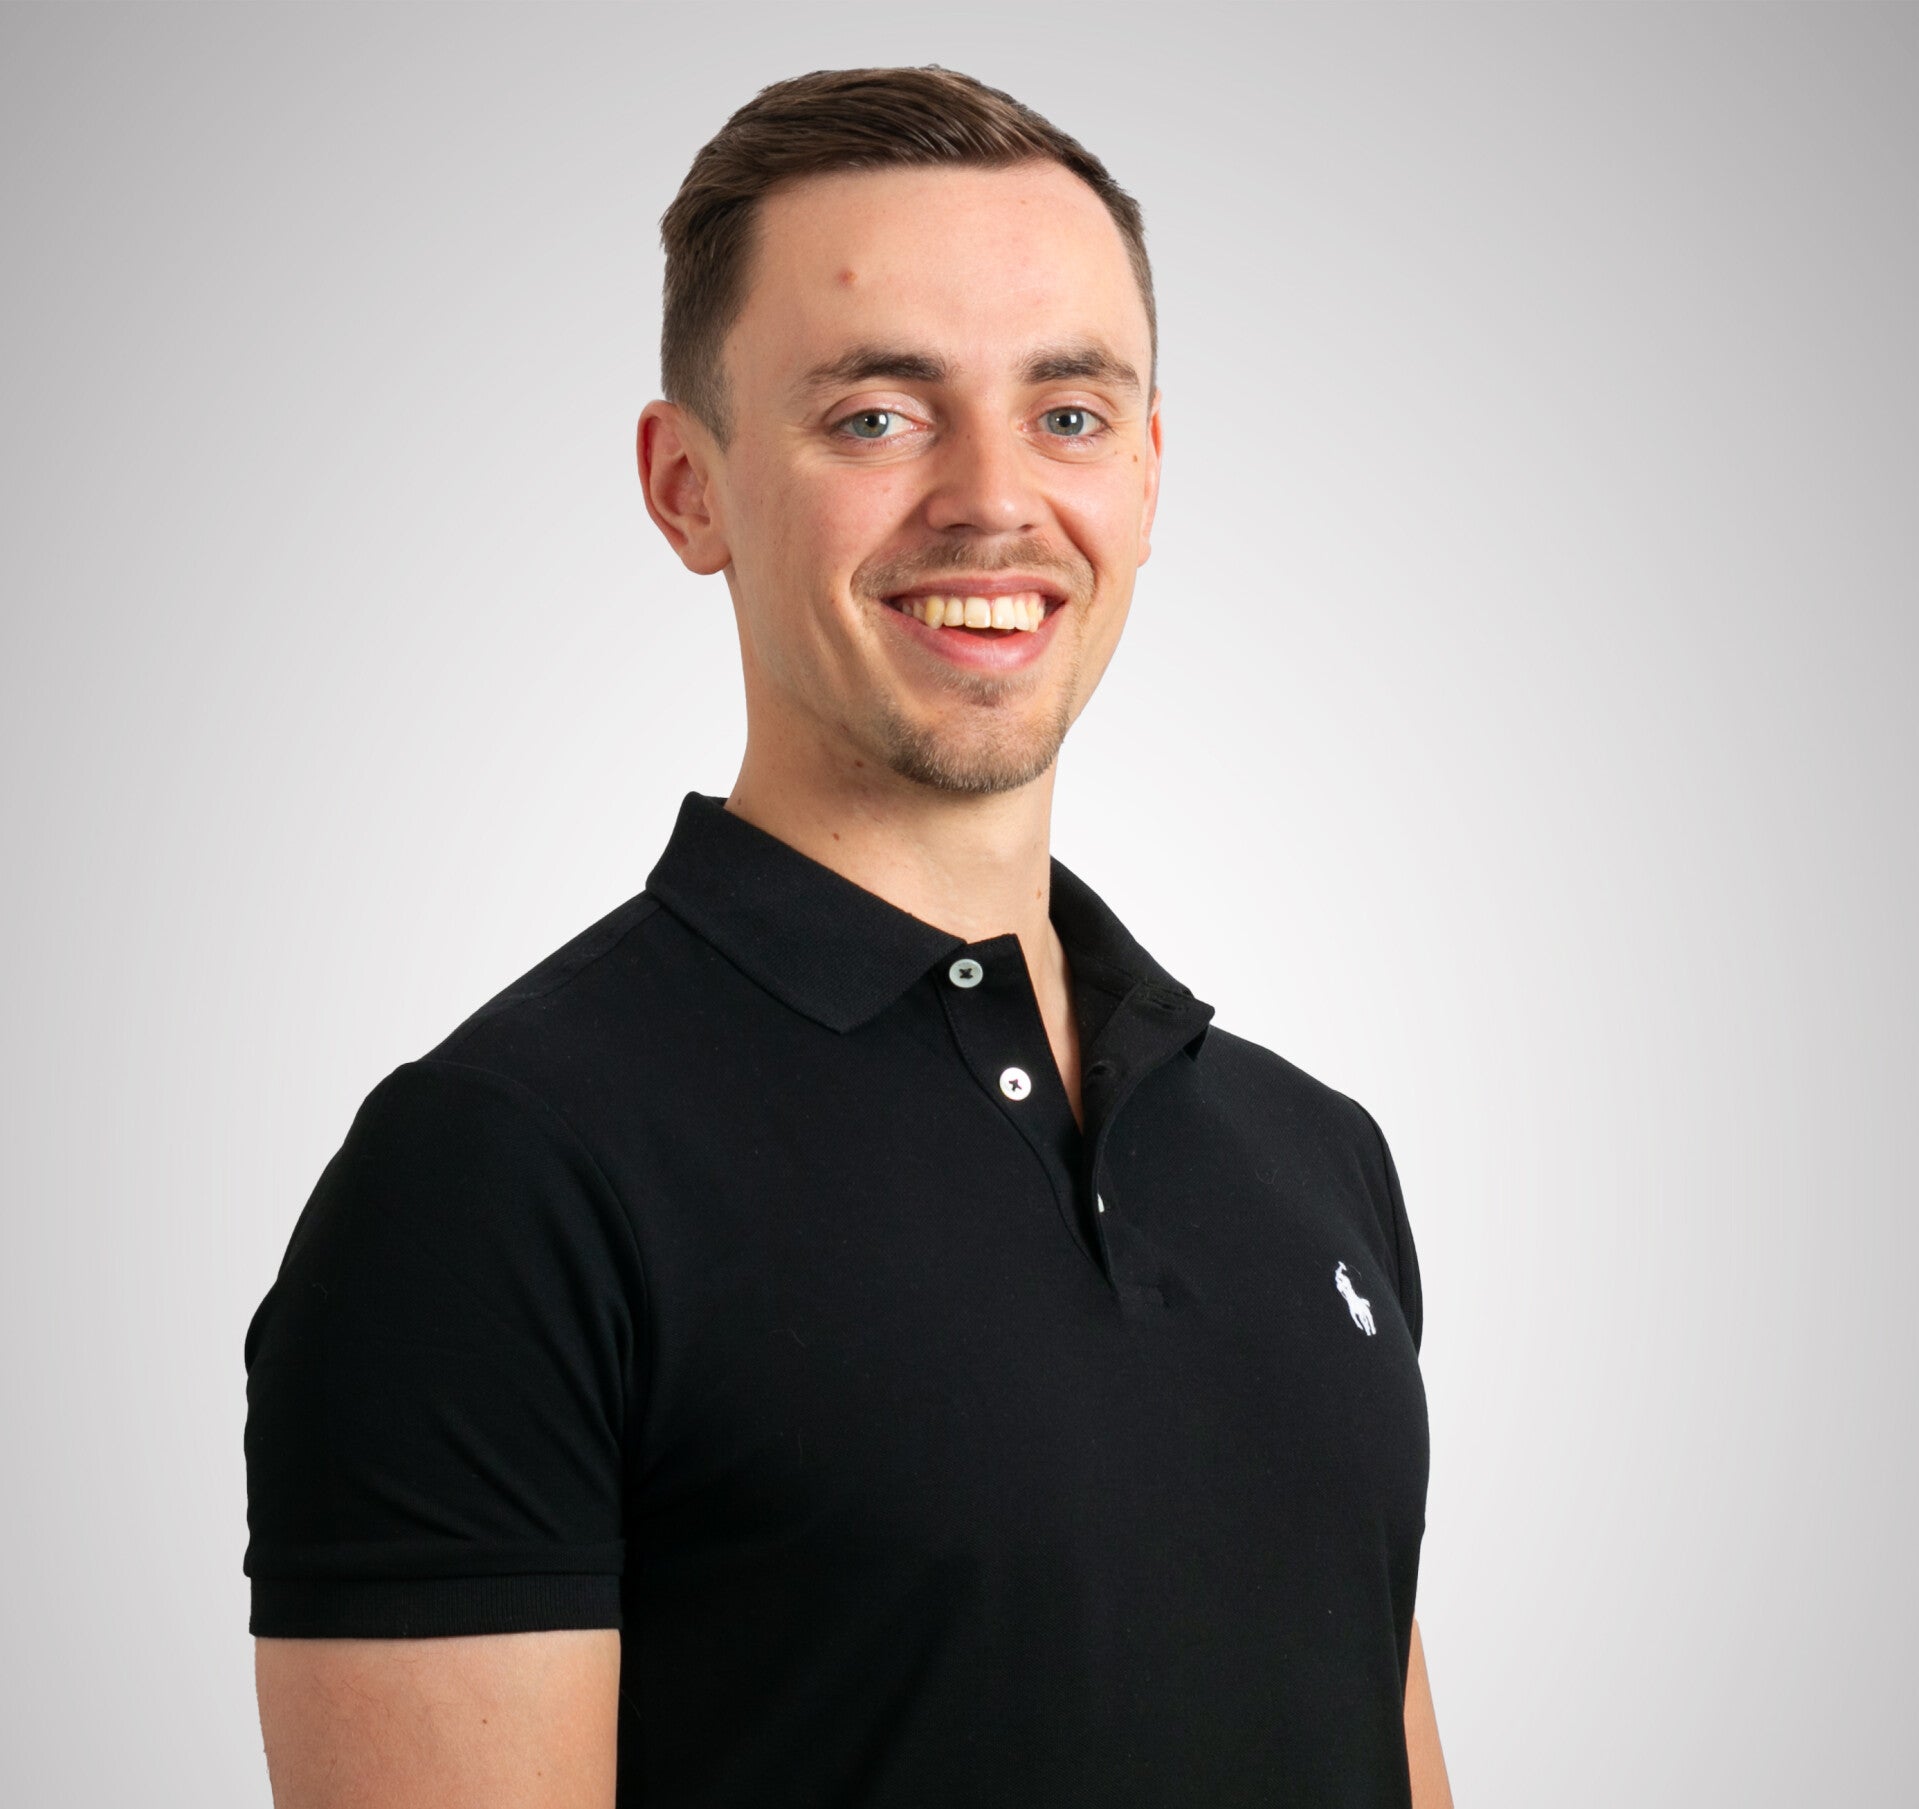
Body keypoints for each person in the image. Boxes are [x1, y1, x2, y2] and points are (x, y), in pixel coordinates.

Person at [245, 64, 1451, 1808]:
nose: (993, 498)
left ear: (1149, 474)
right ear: (689, 487)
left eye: (1070, 412)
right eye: (880, 417)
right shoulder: (497, 1177)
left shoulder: (1312, 1155)